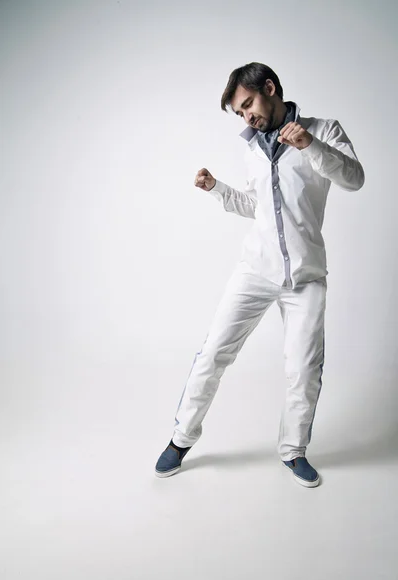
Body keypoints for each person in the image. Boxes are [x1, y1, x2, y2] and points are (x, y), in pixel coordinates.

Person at [155, 62, 365, 487]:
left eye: (248, 104)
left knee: (304, 368)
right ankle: (181, 438)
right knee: (214, 352)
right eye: (239, 112)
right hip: (256, 268)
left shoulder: (323, 130)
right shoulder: (251, 146)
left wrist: (310, 147)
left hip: (305, 275)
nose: (246, 116)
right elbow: (257, 206)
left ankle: (293, 451)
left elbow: (355, 178)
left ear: (269, 88)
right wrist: (216, 188)